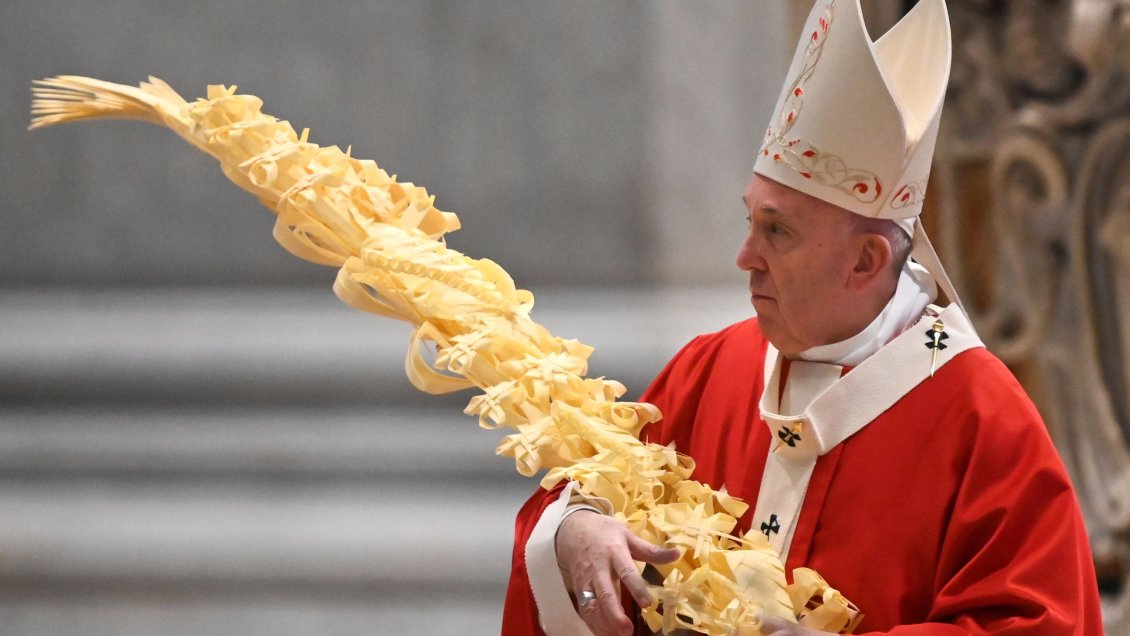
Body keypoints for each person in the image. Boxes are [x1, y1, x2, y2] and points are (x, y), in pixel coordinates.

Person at [501, 0, 1104, 634]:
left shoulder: (981, 418)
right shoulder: (709, 370)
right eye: (749, 219)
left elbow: (1033, 622)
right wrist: (572, 530)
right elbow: (584, 491)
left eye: (777, 231)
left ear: (866, 260)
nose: (745, 257)